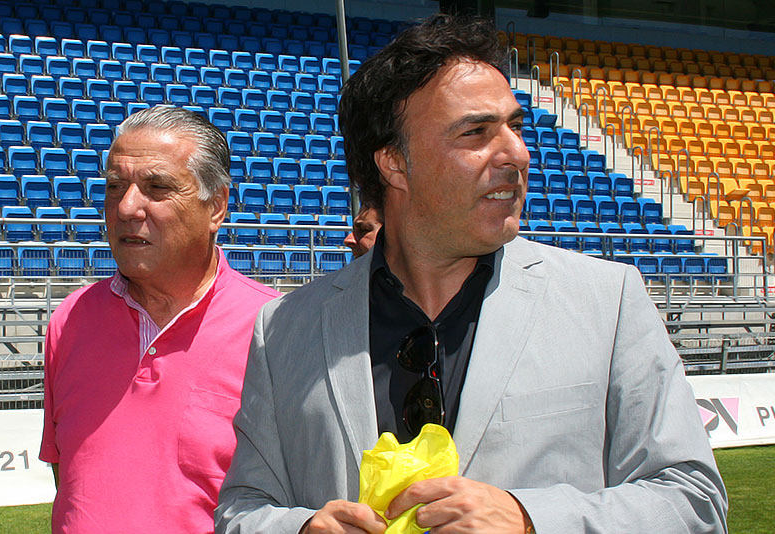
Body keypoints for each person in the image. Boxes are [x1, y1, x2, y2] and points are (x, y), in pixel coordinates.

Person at [216, 15, 727, 534]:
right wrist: (301, 530)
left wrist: (532, 520)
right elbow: (242, 509)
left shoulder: (608, 302)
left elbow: (694, 501)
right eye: (476, 133)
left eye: (515, 127)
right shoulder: (284, 328)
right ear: (394, 163)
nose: (517, 154)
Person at [40, 106, 279, 534]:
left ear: (217, 206)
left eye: (157, 187)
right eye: (115, 186)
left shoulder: (278, 330)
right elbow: (72, 482)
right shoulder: (69, 321)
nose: (128, 206)